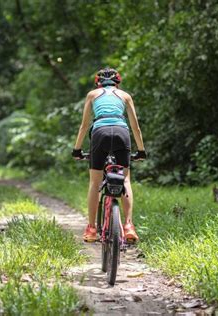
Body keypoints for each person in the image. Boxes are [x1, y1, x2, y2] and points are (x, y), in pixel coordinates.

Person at [72, 67, 146, 243]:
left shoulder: (92, 95)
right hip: (122, 132)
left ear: (98, 83)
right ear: (117, 83)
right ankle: (128, 225)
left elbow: (84, 126)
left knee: (95, 182)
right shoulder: (125, 96)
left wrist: (77, 149)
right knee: (125, 179)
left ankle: (91, 228)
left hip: (100, 133)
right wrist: (141, 150)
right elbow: (135, 127)